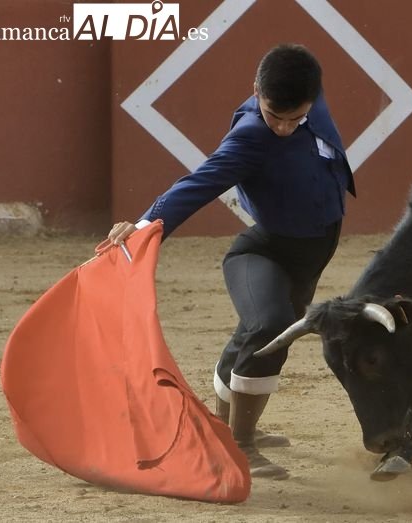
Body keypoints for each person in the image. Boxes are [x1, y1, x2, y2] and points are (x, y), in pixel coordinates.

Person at [108, 43, 355, 480]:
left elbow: (297, 67)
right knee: (271, 326)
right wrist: (146, 227)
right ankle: (241, 445)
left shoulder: (306, 94)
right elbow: (197, 184)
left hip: (314, 251)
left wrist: (297, 116)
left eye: (293, 118)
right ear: (256, 90)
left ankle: (226, 426)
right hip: (263, 249)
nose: (281, 127)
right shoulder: (251, 135)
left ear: (313, 100)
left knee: (260, 329)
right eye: (273, 114)